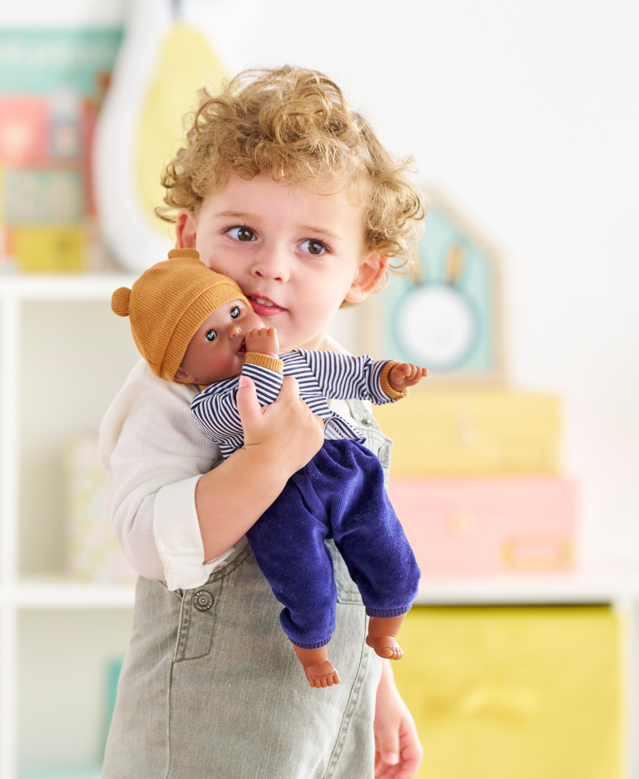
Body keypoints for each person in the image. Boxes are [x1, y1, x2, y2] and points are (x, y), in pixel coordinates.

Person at [99, 66, 426, 779]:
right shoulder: (176, 387)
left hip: (323, 722)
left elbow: (352, 540)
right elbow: (153, 542)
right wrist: (263, 462)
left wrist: (376, 688)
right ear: (188, 235)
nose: (269, 269)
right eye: (243, 232)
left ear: (362, 275)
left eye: (312, 246)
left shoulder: (338, 374)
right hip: (202, 734)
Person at [110, 250, 425, 688]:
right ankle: (313, 651)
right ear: (184, 373)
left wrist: (386, 379)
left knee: (387, 551)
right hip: (281, 507)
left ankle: (385, 627)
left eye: (235, 312)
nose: (236, 331)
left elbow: (347, 374)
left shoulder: (301, 357)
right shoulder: (208, 403)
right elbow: (255, 397)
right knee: (305, 581)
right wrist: (263, 359)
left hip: (341, 469)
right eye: (212, 336)